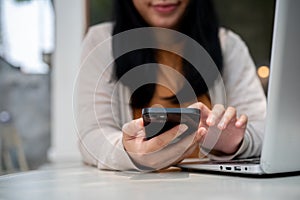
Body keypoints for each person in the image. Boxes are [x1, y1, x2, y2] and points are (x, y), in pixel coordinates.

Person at [76, 0, 266, 171]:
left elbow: (264, 129)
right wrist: (129, 152)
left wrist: (236, 142)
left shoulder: (228, 45)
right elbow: (92, 137)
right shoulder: (101, 42)